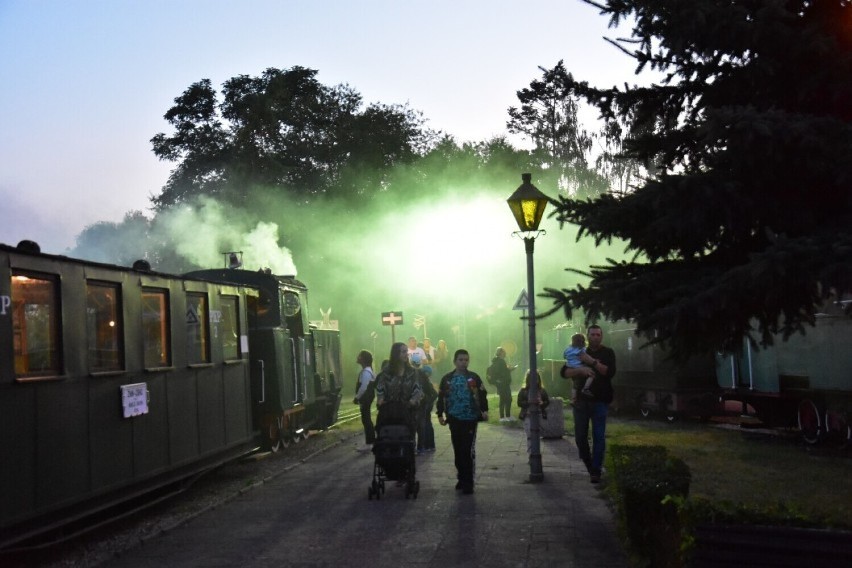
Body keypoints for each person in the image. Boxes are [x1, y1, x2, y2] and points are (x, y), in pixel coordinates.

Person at [561, 325, 616, 484]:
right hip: (581, 402)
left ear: (602, 336)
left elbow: (609, 372)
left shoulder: (607, 352)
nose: (596, 337)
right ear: (587, 336)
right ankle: (589, 464)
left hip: (600, 401)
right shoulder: (577, 350)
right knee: (580, 437)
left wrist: (591, 362)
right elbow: (564, 372)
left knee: (599, 437)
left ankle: (596, 470)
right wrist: (580, 371)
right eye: (592, 334)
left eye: (598, 334)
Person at [436, 349, 488, 494]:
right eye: (460, 360)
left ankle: (468, 481)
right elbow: (441, 397)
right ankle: (461, 476)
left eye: (466, 360)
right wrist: (440, 414)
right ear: (454, 361)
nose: (463, 362)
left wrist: (484, 410)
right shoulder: (448, 379)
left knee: (467, 449)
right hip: (454, 419)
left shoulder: (473, 378)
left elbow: (482, 394)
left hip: (470, 419)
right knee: (458, 450)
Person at [375, 342, 423, 432]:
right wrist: (380, 400)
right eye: (403, 352)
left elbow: (417, 389)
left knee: (407, 441)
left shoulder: (412, 372)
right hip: (389, 414)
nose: (406, 354)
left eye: (407, 351)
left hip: (408, 414)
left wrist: (412, 402)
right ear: (396, 353)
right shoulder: (386, 373)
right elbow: (380, 389)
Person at [516, 370, 551, 455]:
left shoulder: (542, 390)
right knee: (530, 435)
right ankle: (531, 454)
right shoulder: (523, 391)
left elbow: (547, 401)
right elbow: (519, 403)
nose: (534, 381)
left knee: (536, 436)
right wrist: (529, 402)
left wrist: (542, 403)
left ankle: (536, 453)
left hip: (539, 415)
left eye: (536, 378)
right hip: (527, 416)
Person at [353, 350, 376, 452]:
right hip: (367, 398)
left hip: (365, 398)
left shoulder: (366, 372)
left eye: (359, 356)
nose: (357, 357)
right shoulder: (368, 370)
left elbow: (363, 387)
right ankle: (370, 441)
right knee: (366, 419)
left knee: (366, 420)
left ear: (363, 359)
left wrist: (357, 397)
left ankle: (370, 442)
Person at [487, 346, 517, 422]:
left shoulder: (498, 361)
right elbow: (502, 372)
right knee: (507, 399)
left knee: (504, 399)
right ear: (500, 353)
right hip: (503, 383)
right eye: (504, 352)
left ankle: (505, 416)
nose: (505, 353)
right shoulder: (500, 361)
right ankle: (504, 417)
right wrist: (510, 369)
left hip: (502, 383)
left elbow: (503, 371)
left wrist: (509, 369)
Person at [564, 333, 594, 401]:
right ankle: (586, 388)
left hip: (571, 368)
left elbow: (564, 355)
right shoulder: (583, 349)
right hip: (580, 367)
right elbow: (585, 357)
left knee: (575, 384)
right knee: (592, 375)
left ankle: (573, 399)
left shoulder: (568, 349)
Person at [416, 365, 437, 454]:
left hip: (424, 407)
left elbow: (435, 394)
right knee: (426, 425)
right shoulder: (426, 381)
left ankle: (425, 446)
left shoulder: (425, 382)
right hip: (424, 406)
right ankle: (429, 445)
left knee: (424, 426)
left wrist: (428, 402)